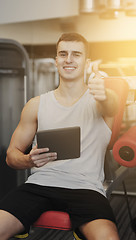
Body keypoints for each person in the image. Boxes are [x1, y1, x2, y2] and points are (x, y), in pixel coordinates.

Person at [0, 33, 119, 240]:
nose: (69, 59)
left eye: (76, 54)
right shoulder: (36, 105)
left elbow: (112, 104)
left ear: (86, 62)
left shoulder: (101, 101)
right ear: (56, 61)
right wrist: (28, 160)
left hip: (85, 189)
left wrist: (104, 94)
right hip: (40, 185)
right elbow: (11, 155)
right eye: (63, 54)